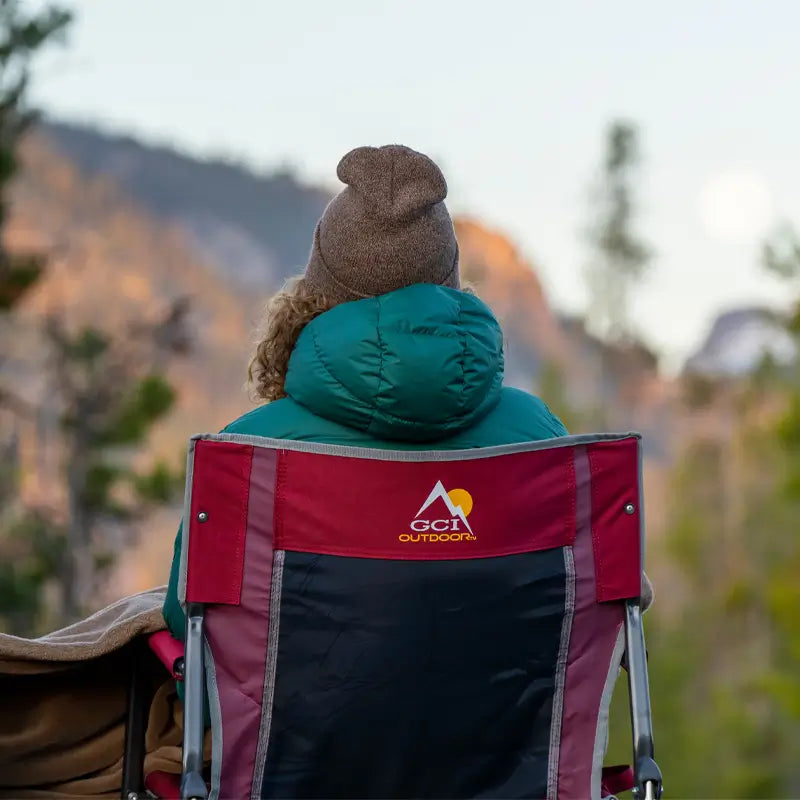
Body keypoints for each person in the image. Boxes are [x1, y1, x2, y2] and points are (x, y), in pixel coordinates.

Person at [164, 143, 602, 638]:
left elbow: (189, 621)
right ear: (450, 286)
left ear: (315, 295)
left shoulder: (247, 455)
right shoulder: (539, 441)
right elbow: (585, 613)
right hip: (507, 691)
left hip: (299, 694)